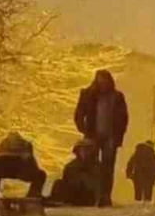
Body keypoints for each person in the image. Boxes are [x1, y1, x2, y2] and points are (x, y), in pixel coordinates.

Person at [73, 70, 129, 207]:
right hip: (93, 136)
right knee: (92, 166)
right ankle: (92, 195)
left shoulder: (117, 97)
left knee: (107, 167)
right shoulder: (88, 95)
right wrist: (83, 129)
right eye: (100, 81)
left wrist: (118, 134)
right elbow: (79, 114)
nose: (102, 84)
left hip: (110, 136)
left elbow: (123, 118)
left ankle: (105, 196)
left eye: (104, 81)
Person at [0, 132, 47, 216]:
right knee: (41, 175)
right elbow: (32, 164)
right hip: (20, 165)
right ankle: (31, 200)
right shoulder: (26, 144)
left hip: (1, 166)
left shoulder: (2, 145)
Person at [46, 138, 103, 207]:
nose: (84, 152)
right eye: (82, 149)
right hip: (71, 196)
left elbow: (97, 186)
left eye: (87, 149)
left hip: (87, 197)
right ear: (77, 151)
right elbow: (66, 182)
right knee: (58, 183)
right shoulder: (71, 166)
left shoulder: (97, 167)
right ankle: (56, 201)